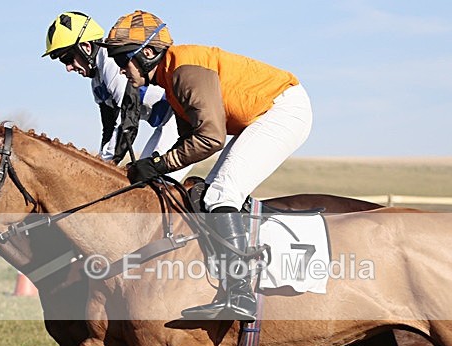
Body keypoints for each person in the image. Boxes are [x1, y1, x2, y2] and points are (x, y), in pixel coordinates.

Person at [101, 10, 313, 322]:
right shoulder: (171, 79)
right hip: (265, 114)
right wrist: (155, 169)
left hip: (282, 110)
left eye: (123, 60)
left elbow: (210, 138)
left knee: (220, 195)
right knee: (204, 194)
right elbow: (189, 142)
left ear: (147, 53)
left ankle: (241, 292)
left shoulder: (184, 72)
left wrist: (158, 164)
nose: (121, 71)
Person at [42, 11, 191, 180]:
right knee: (140, 182)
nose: (68, 68)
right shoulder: (97, 82)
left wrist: (102, 169)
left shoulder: (111, 62)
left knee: (150, 182)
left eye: (68, 58)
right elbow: (109, 127)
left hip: (180, 119)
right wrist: (99, 161)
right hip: (166, 123)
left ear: (86, 47)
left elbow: (128, 120)